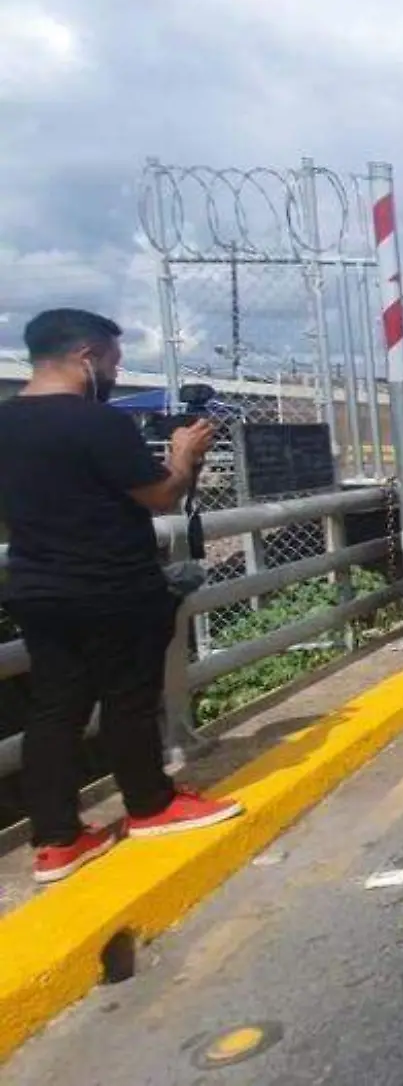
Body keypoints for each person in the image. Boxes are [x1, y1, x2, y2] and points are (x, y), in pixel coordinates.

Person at [0, 309, 244, 884]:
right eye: (112, 359)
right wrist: (183, 452)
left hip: (37, 586)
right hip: (112, 584)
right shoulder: (97, 424)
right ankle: (150, 805)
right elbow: (160, 495)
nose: (115, 370)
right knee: (128, 699)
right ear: (85, 357)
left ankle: (59, 839)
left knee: (56, 707)